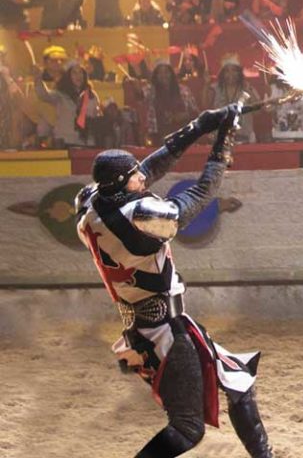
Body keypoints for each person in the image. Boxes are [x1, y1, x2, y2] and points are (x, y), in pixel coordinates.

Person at [74, 104, 273, 458]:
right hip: (164, 331)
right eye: (133, 176)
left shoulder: (92, 205)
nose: (141, 178)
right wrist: (222, 145)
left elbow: (149, 168)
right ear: (122, 184)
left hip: (152, 323)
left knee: (239, 381)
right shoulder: (139, 220)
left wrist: (199, 126)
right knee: (187, 428)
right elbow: (199, 196)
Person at [35, 60, 101, 147]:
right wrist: (38, 78)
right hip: (65, 141)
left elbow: (96, 116)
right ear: (68, 76)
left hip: (86, 143)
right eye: (74, 73)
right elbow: (43, 95)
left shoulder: (91, 95)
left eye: (80, 72)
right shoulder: (60, 95)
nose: (78, 76)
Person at [205, 54, 259, 143]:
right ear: (222, 73)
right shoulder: (214, 89)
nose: (231, 74)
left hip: (243, 138)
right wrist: (206, 85)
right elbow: (205, 107)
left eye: (234, 71)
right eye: (227, 71)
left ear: (239, 73)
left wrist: (249, 91)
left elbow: (258, 112)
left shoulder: (247, 88)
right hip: (220, 139)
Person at [143, 60, 199, 144]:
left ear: (171, 74)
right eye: (160, 73)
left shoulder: (184, 90)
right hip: (159, 135)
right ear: (156, 76)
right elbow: (140, 96)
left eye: (166, 72)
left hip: (182, 131)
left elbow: (195, 113)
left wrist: (182, 115)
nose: (163, 75)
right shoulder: (151, 90)